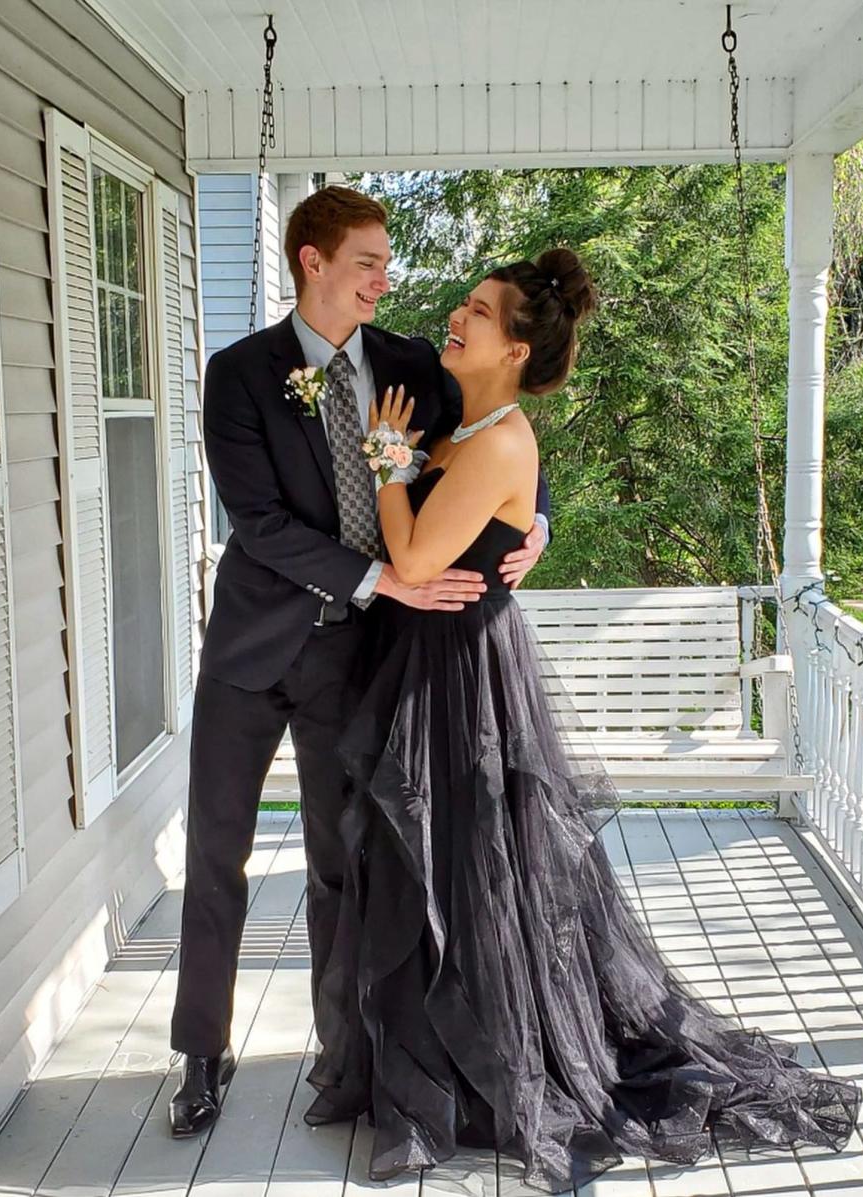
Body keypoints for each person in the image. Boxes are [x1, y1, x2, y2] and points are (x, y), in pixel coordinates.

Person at [302, 247, 863, 1193]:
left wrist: (389, 461)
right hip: (430, 668)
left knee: (480, 862)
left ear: (515, 348)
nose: (457, 316)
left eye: (478, 312)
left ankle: (496, 1064)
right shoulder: (469, 417)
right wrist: (495, 499)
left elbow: (408, 550)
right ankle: (452, 1050)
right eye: (465, 304)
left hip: (464, 680)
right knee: (441, 865)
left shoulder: (497, 441)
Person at [167, 186, 552, 1136]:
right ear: (314, 262)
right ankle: (199, 1055)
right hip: (250, 654)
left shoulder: (413, 365)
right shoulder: (241, 373)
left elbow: (496, 441)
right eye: (370, 261)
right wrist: (387, 578)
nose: (388, 277)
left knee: (343, 865)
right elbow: (256, 526)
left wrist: (540, 519)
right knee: (217, 856)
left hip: (355, 662)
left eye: (386, 261)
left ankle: (343, 1063)